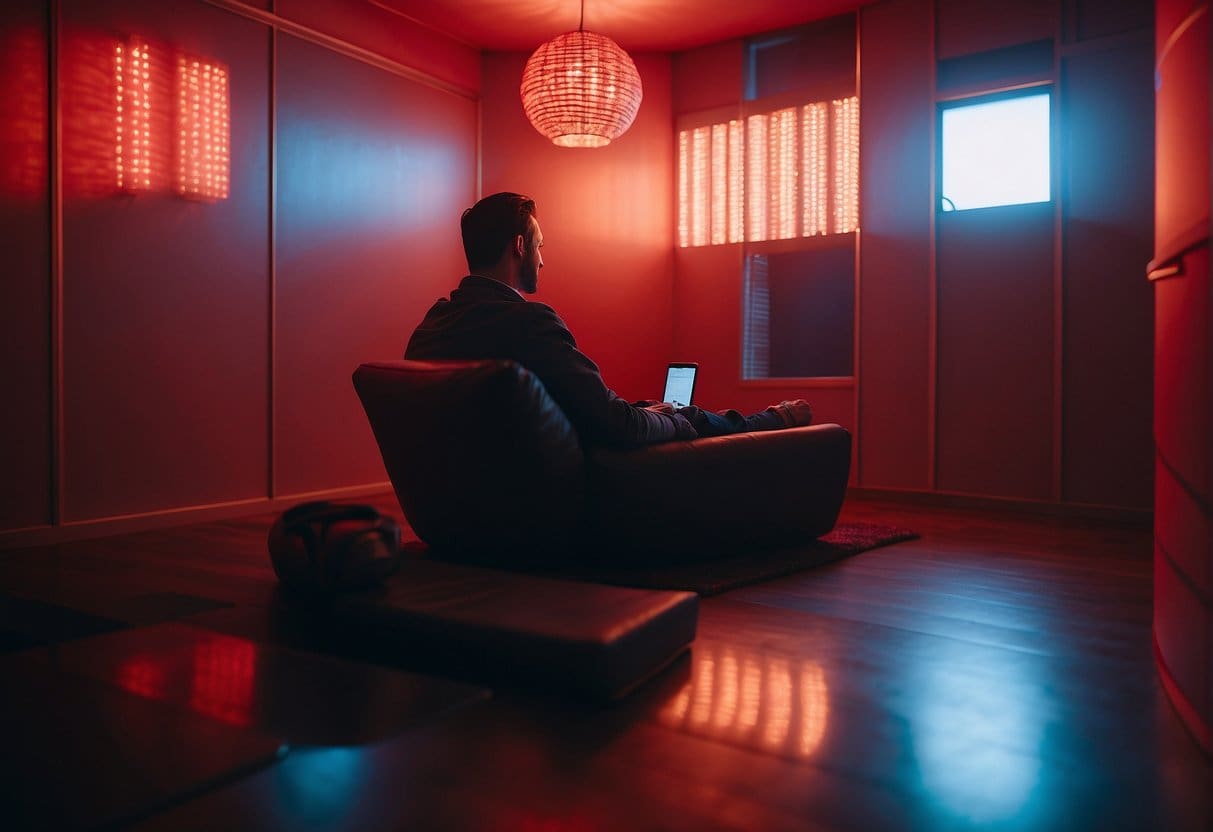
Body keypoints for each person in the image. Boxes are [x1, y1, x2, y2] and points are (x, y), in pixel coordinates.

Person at [405, 192, 814, 449]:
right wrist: (669, 419)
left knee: (646, 410)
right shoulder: (528, 322)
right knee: (678, 416)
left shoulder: (431, 328)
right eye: (540, 246)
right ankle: (774, 421)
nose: (543, 259)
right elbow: (618, 428)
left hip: (467, 505)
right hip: (547, 502)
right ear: (519, 246)